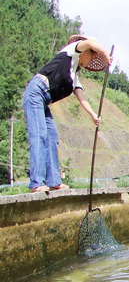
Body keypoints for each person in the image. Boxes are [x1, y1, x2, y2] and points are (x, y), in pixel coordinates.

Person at [23, 34, 107, 191]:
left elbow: (81, 96)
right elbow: (88, 42)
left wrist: (93, 115)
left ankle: (54, 181)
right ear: (85, 51)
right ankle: (36, 183)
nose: (90, 60)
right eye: (92, 55)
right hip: (36, 93)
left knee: (52, 136)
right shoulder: (71, 52)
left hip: (44, 101)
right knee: (40, 135)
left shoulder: (74, 74)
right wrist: (106, 55)